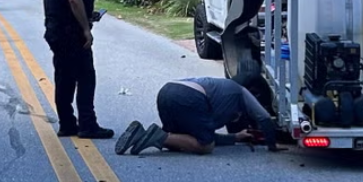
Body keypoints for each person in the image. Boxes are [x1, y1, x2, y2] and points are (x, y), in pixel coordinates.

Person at [116, 63, 286, 156]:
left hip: (167, 91)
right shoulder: (241, 91)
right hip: (189, 97)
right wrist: (272, 145)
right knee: (205, 146)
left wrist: (236, 137)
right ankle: (159, 136)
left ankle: (142, 135)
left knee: (183, 142)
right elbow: (263, 118)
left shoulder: (221, 88)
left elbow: (206, 133)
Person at [42, 0, 113, 139]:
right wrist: (85, 28)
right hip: (72, 33)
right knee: (85, 77)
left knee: (63, 78)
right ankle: (87, 125)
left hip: (55, 32)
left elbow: (60, 3)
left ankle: (66, 124)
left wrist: (88, 14)